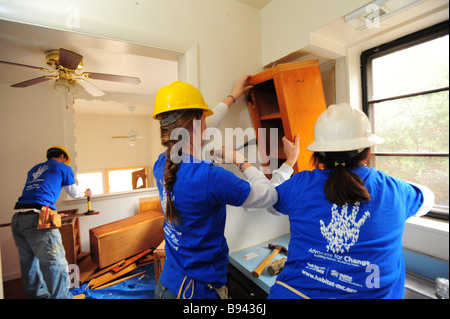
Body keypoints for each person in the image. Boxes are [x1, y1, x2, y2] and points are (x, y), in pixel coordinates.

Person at [268, 103, 435, 299]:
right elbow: (428, 198)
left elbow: (269, 199)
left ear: (318, 154)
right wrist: (394, 185)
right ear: (367, 153)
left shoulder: (299, 185)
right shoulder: (395, 190)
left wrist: (290, 161)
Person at [152, 77, 298, 299]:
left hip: (167, 285)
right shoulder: (209, 177)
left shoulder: (161, 165)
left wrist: (233, 96)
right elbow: (268, 194)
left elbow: (199, 129)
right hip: (198, 293)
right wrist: (244, 160)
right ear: (196, 125)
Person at [11, 146, 91, 299]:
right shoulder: (63, 167)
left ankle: (37, 296)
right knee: (55, 262)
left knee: (29, 262)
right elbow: (73, 193)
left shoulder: (34, 169)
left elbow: (38, 193)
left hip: (18, 218)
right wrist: (86, 193)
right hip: (37, 218)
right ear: (62, 157)